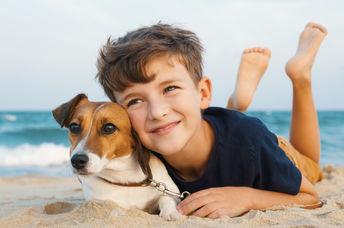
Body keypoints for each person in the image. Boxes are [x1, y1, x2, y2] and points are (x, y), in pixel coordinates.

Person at [96, 22, 327, 218]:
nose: (157, 112)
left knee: (313, 167)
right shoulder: (137, 154)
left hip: (261, 143)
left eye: (170, 88)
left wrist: (248, 197)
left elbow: (310, 198)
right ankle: (235, 106)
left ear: (203, 93)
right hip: (218, 130)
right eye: (135, 101)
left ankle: (300, 76)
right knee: (222, 130)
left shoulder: (251, 142)